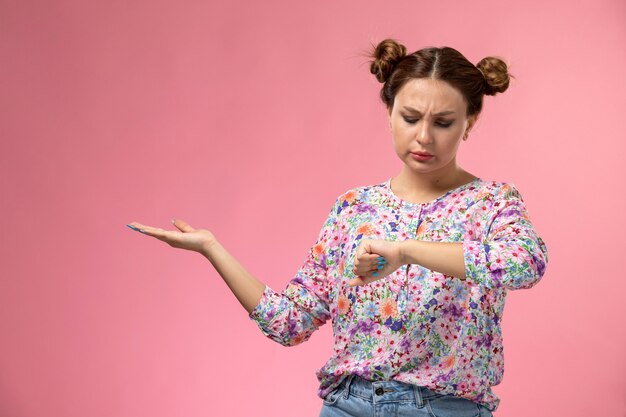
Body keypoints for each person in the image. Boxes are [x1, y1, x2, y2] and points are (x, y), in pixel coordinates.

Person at [127, 39, 548, 416]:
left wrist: (405, 251)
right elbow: (290, 322)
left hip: (444, 409)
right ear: (389, 113)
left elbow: (524, 264)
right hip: (349, 405)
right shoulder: (353, 208)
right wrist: (211, 248)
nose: (423, 136)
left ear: (469, 123)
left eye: (443, 123)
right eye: (410, 117)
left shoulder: (492, 202)